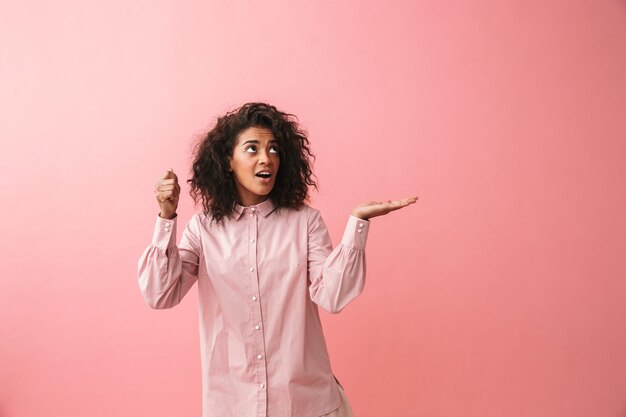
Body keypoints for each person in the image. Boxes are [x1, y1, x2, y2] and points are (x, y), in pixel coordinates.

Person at [137, 102, 417, 417]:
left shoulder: (305, 222)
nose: (266, 157)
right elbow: (160, 294)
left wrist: (357, 225)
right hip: (233, 405)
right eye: (252, 148)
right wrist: (166, 216)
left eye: (274, 149)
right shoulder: (203, 230)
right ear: (228, 161)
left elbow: (333, 295)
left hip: (307, 404)